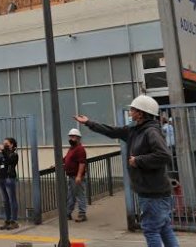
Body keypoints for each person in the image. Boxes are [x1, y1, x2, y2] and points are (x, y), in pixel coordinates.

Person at [74, 95, 178, 247]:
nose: (130, 112)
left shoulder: (150, 132)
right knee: (163, 228)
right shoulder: (135, 130)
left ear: (141, 113)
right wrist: (89, 123)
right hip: (152, 191)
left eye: (133, 109)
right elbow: (112, 131)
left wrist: (138, 160)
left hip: (153, 193)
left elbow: (164, 155)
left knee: (151, 230)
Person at [0, 137, 19, 230]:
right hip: (1, 179)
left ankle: (14, 221)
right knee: (5, 201)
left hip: (9, 179)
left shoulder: (14, 154)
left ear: (11, 145)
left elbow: (9, 161)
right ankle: (7, 220)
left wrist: (3, 151)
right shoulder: (1, 154)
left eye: (6, 143)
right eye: (3, 143)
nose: (4, 145)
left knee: (12, 200)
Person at [64, 128, 88, 222]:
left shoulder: (80, 149)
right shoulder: (72, 149)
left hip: (76, 177)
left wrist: (79, 176)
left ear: (78, 138)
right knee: (71, 196)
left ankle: (82, 214)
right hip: (71, 176)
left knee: (80, 195)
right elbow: (66, 158)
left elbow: (82, 163)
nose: (71, 138)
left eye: (73, 137)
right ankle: (68, 213)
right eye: (70, 136)